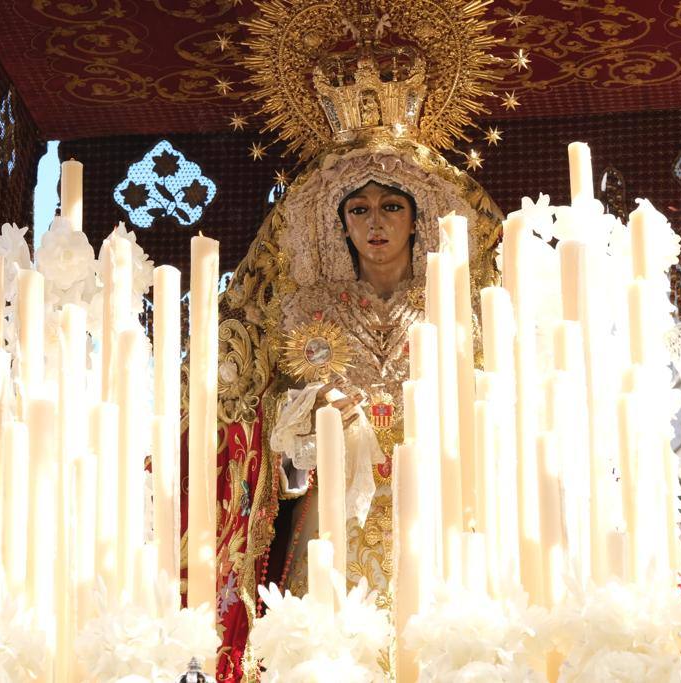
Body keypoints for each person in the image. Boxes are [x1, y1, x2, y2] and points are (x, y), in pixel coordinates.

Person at [178, 4, 506, 679]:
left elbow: (494, 417)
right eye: (359, 209)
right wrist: (312, 424)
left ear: (418, 218)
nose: (376, 223)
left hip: (435, 516)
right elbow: (267, 448)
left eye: (392, 207)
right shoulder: (305, 311)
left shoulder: (455, 310)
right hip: (332, 530)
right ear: (338, 223)